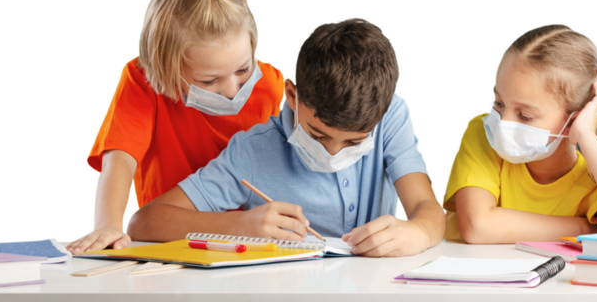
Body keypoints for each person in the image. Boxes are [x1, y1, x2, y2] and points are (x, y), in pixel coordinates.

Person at [124, 16, 445, 257]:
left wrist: (415, 232)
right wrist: (241, 226)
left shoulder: (390, 115)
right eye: (318, 134)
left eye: (353, 142)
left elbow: (426, 209)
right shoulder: (253, 151)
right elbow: (144, 223)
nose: (333, 152)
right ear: (292, 95)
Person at [67, 0, 285, 253]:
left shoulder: (273, 84)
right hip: (169, 239)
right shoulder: (143, 81)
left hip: (252, 248)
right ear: (164, 68)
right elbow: (119, 160)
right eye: (209, 81)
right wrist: (108, 226)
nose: (232, 89)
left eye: (243, 69)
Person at [442, 21, 597, 244]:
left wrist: (586, 137)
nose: (502, 122)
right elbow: (477, 226)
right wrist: (587, 229)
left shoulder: (592, 175)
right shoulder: (482, 133)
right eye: (499, 103)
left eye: (525, 115)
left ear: (572, 121)